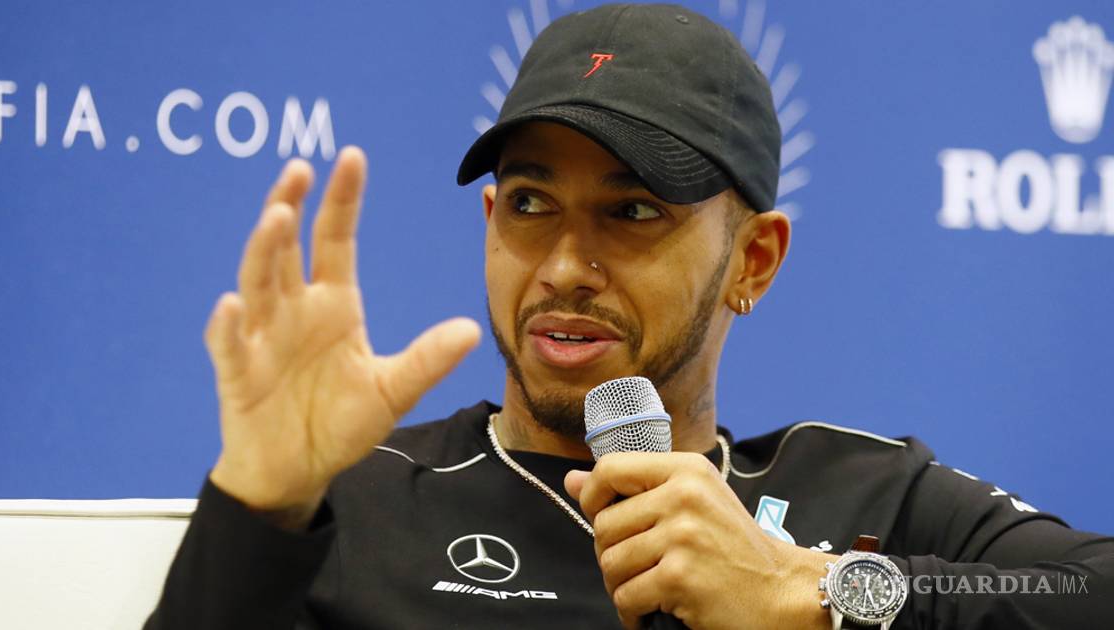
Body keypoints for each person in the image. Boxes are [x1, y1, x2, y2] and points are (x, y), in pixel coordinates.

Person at [145, 4, 1113, 629]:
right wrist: (255, 510)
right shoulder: (357, 502)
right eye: (531, 204)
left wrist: (810, 591)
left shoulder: (863, 495)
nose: (565, 267)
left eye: (634, 211)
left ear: (754, 260)